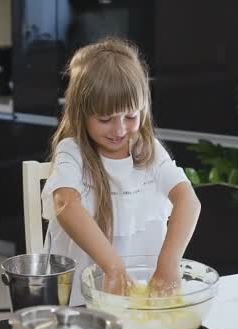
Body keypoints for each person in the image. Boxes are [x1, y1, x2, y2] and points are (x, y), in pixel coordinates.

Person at [41, 37, 201, 305]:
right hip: (83, 303)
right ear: (81, 113)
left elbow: (189, 201)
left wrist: (169, 263)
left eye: (130, 116)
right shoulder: (73, 151)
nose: (119, 130)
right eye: (105, 119)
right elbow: (64, 203)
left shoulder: (149, 152)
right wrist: (112, 267)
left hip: (144, 297)